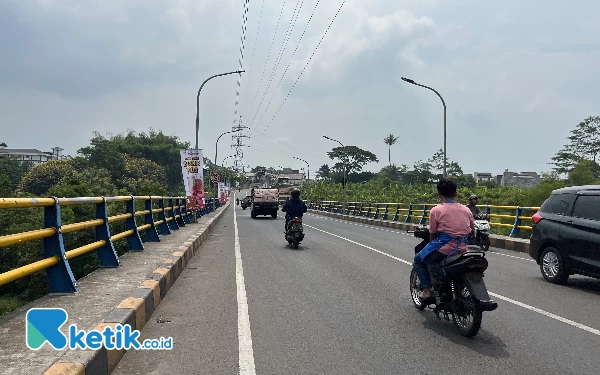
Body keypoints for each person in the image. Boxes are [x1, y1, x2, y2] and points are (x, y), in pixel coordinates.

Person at [413, 179, 474, 299]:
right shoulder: (466, 210)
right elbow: (472, 229)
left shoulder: (436, 210)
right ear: (455, 194)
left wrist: (433, 242)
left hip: (445, 248)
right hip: (462, 248)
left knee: (418, 259)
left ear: (439, 194)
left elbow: (433, 234)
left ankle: (426, 290)